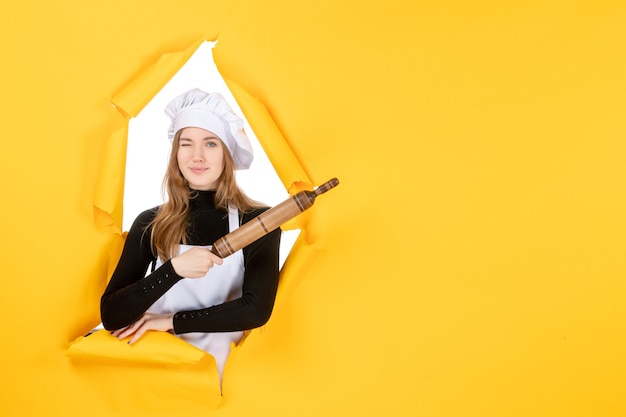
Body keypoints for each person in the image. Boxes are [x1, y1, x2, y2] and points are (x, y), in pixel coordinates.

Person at [100, 88, 281, 377]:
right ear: (176, 153)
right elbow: (112, 314)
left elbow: (255, 310)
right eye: (187, 144)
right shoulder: (150, 222)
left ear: (227, 153)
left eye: (210, 144)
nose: (197, 156)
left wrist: (172, 320)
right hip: (157, 373)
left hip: (225, 379)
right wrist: (173, 270)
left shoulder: (258, 222)